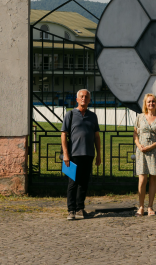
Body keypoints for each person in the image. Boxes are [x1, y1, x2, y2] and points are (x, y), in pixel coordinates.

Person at [61, 89, 101, 221]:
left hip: (88, 154)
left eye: (86, 97)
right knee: (73, 183)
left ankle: (80, 208)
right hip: (73, 155)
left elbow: (96, 136)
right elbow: (63, 135)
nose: (84, 98)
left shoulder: (93, 116)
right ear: (77, 99)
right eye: (81, 96)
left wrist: (99, 154)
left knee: (83, 183)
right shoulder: (70, 114)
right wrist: (66, 154)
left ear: (90, 100)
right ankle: (71, 210)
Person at [133, 93, 156, 216]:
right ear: (145, 104)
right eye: (149, 102)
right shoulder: (139, 117)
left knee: (153, 179)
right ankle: (141, 206)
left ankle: (150, 206)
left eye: (153, 101)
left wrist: (151, 147)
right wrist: (139, 145)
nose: (151, 103)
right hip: (142, 151)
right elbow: (135, 134)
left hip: (155, 152)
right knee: (142, 180)